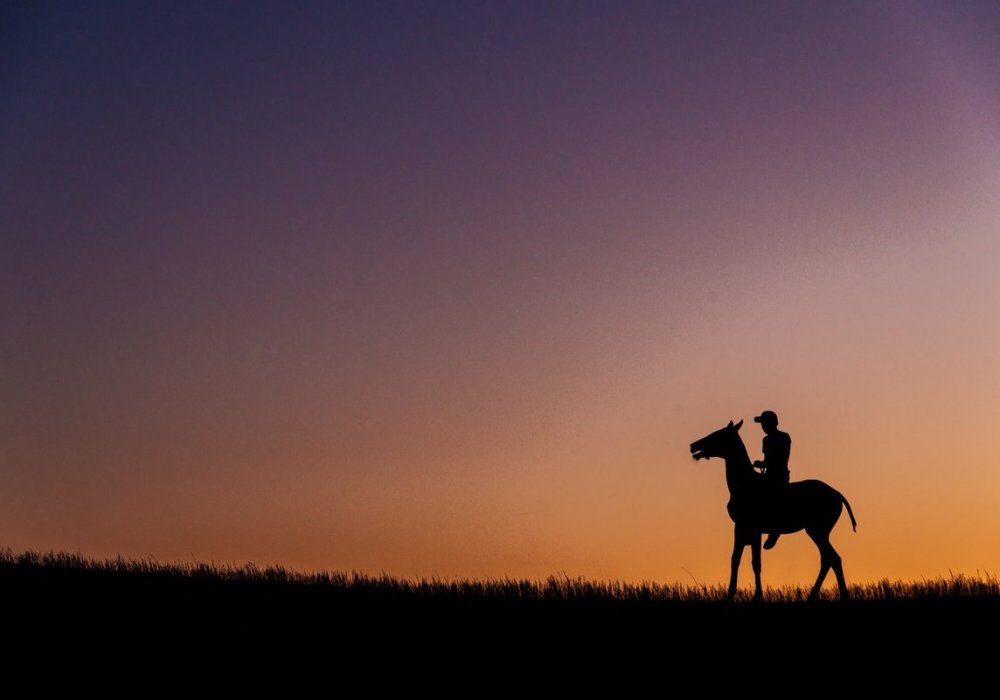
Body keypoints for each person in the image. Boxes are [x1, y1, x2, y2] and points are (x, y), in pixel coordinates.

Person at [752, 410, 791, 550]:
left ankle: (775, 531)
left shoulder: (781, 438)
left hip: (779, 476)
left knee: (773, 498)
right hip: (770, 475)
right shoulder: (767, 440)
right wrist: (761, 464)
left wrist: (764, 464)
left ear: (772, 423)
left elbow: (780, 459)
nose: (763, 426)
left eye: (764, 423)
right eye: (762, 424)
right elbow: (767, 460)